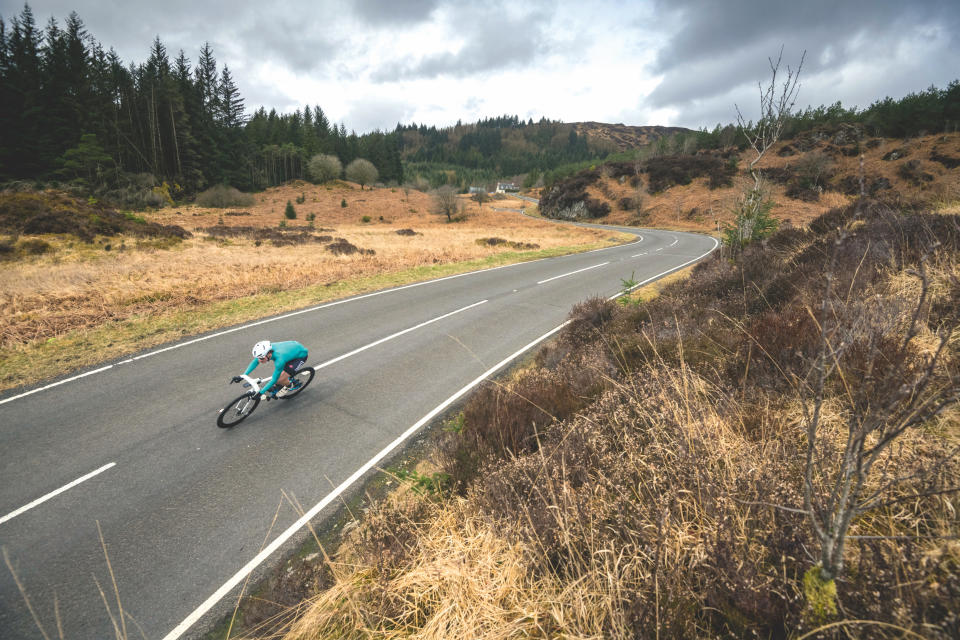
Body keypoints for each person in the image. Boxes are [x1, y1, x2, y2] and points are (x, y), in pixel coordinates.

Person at [232, 340, 309, 400]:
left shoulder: (279, 360)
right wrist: (243, 376)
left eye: (261, 358)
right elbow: (255, 362)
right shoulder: (266, 351)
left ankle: (290, 385)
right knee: (280, 376)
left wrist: (261, 393)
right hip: (292, 349)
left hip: (300, 356)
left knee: (279, 380)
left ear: (269, 354)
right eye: (258, 358)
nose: (259, 360)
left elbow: (274, 380)